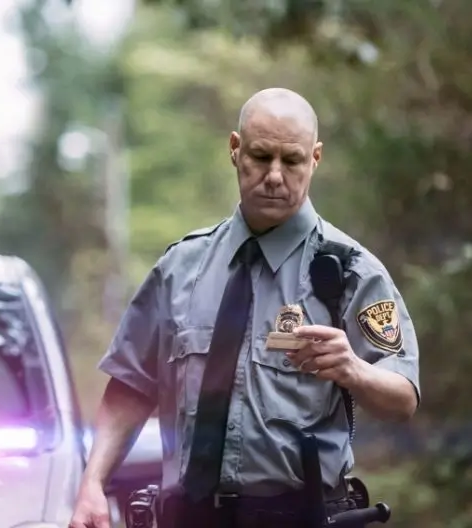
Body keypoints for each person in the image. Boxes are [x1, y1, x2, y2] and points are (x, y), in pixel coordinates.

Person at [68, 88, 420, 528]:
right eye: (260, 156)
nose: (274, 176)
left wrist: (353, 368)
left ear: (315, 159)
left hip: (297, 516)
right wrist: (92, 483)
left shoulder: (349, 270)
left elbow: (403, 399)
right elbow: (132, 386)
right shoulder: (180, 267)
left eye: (291, 161)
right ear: (235, 151)